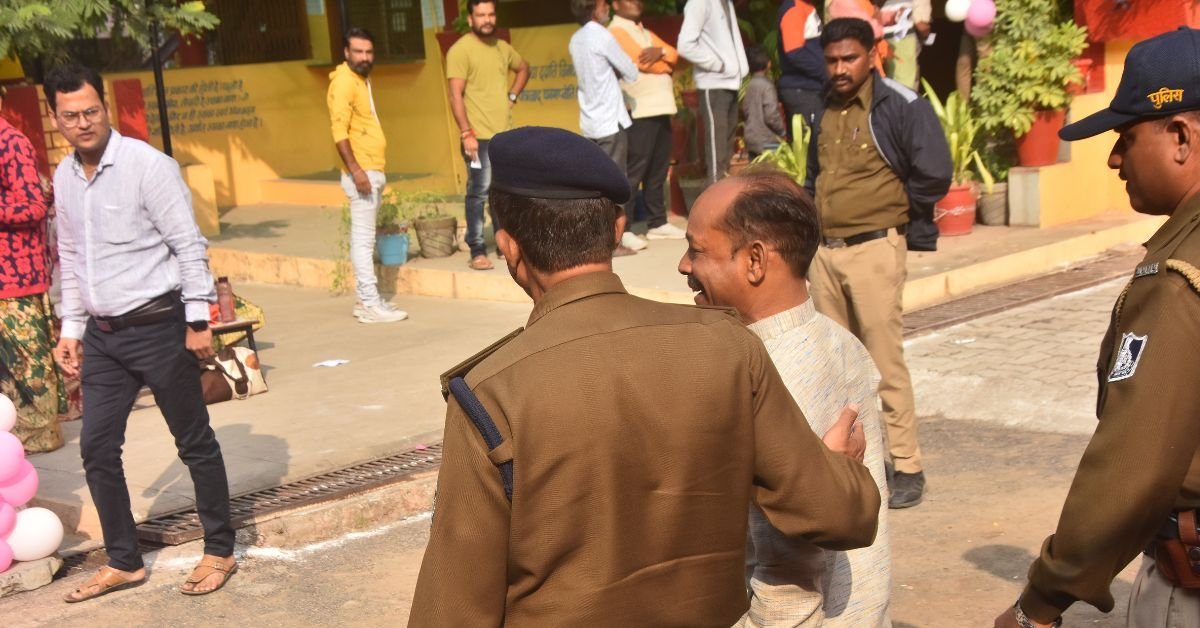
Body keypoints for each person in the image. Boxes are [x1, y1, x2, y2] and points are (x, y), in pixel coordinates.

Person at [407, 126, 881, 624]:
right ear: (617, 228)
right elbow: (844, 516)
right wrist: (841, 470)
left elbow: (452, 611)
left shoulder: (491, 393)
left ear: (508, 246)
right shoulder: (728, 347)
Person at [994, 27, 1200, 628]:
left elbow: (1134, 467)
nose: (1114, 159)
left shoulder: (1178, 277)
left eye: (1126, 137)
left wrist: (1040, 602)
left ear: (1181, 137)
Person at [46, 64, 237, 601]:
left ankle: (219, 549)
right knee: (96, 447)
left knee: (193, 441)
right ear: (56, 118)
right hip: (104, 337)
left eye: (91, 111)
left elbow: (188, 244)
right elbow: (72, 257)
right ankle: (124, 560)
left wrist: (197, 320)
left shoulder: (148, 166)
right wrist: (71, 328)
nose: (83, 123)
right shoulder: (64, 177)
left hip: (160, 326)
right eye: (70, 116)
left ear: (105, 107)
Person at [680, 168, 891, 626]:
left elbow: (790, 579)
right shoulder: (838, 340)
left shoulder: (767, 379)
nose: (683, 266)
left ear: (755, 260)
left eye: (697, 251)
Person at [808, 17, 950, 509]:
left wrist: (897, 217)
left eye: (849, 58)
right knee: (834, 365)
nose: (840, 68)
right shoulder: (823, 105)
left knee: (883, 363)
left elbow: (934, 172)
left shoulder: (900, 104)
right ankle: (855, 463)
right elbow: (814, 175)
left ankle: (907, 465)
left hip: (874, 250)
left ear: (872, 55)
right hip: (825, 253)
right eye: (832, 60)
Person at [0, 86, 66, 454]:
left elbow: (33, 206)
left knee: (28, 370)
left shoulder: (11, 142)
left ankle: (40, 438)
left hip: (16, 278)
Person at [327, 27, 407, 323]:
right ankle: (370, 304)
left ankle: (366, 301)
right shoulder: (344, 83)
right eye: (358, 51)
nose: (364, 57)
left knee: (366, 239)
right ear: (346, 52)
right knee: (363, 240)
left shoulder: (360, 80)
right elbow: (339, 131)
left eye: (368, 52)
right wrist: (356, 170)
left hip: (371, 169)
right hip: (362, 172)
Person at [446, 0, 530, 271]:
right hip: (476, 137)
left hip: (503, 136)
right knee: (479, 192)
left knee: (502, 191)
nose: (487, 19)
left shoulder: (502, 48)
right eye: (481, 15)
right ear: (470, 19)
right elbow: (455, 95)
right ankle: (477, 249)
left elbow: (524, 68)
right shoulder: (460, 50)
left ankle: (503, 245)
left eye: (491, 14)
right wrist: (466, 132)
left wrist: (512, 96)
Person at [608, 0, 688, 243]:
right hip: (640, 109)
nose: (636, 2)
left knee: (658, 170)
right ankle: (625, 228)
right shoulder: (616, 30)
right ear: (615, 4)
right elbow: (640, 62)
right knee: (635, 171)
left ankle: (657, 222)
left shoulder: (644, 31)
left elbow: (674, 54)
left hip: (661, 107)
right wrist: (664, 63)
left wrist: (660, 53)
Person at [568, 0, 642, 255]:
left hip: (590, 122)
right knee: (615, 185)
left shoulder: (575, 39)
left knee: (595, 186)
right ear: (593, 10)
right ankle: (612, 243)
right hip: (610, 121)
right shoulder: (602, 35)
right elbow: (631, 72)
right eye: (603, 4)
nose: (608, 7)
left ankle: (597, 240)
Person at [678, 0, 749, 185]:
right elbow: (685, 45)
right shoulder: (699, 2)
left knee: (726, 146)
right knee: (717, 148)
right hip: (713, 83)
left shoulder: (726, 3)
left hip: (731, 82)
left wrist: (734, 68)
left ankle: (723, 195)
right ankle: (714, 195)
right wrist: (718, 65)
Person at [776, 0, 826, 138]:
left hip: (811, 87)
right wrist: (826, 73)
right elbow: (794, 52)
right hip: (802, 89)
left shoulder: (806, 7)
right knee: (809, 144)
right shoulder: (794, 9)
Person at [742, 47, 786, 162]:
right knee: (771, 169)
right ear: (768, 64)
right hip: (768, 141)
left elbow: (745, 109)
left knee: (755, 169)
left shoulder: (750, 85)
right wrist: (782, 131)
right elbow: (771, 115)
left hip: (751, 139)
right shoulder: (767, 86)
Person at [880, 0, 931, 91]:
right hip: (901, 30)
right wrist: (921, 19)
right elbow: (921, 24)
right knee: (904, 85)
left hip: (881, 27)